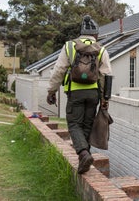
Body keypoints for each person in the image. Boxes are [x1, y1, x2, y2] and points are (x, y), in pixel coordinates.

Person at [47, 15, 112, 174]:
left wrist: (51, 91)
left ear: (81, 32)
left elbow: (59, 70)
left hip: (75, 93)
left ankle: (83, 154)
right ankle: (85, 158)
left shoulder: (70, 46)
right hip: (93, 94)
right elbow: (106, 76)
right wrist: (105, 99)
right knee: (87, 125)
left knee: (74, 124)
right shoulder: (101, 49)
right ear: (95, 34)